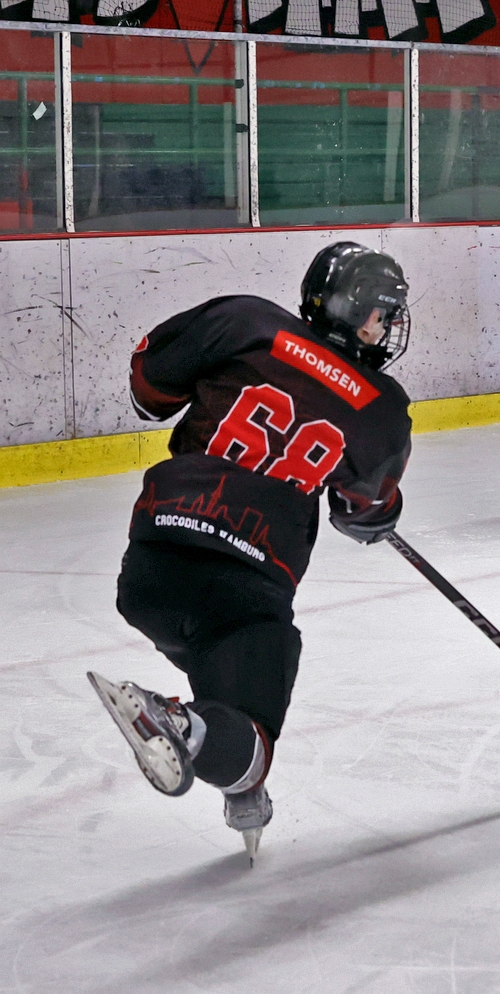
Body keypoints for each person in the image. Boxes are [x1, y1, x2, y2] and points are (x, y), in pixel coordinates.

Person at [88, 241, 414, 853]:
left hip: (153, 565)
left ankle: (224, 758)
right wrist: (383, 514)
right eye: (381, 313)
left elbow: (149, 387)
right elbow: (362, 513)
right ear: (351, 310)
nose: (387, 327)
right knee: (255, 729)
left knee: (220, 659)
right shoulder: (381, 407)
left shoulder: (245, 321)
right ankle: (185, 728)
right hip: (248, 582)